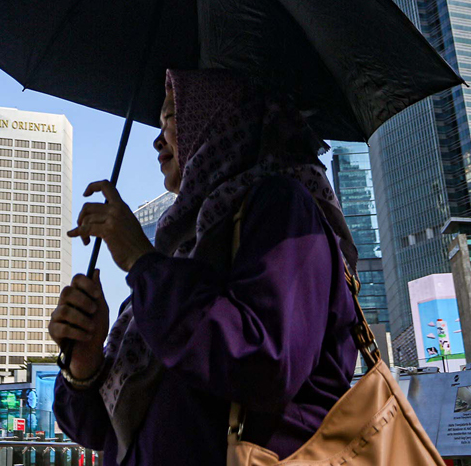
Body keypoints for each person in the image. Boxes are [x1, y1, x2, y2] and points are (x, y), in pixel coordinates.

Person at [49, 69, 359, 465]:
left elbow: (265, 364)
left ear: (218, 118)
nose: (158, 139)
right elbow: (101, 431)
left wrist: (141, 262)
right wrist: (84, 363)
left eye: (171, 118)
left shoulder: (282, 210)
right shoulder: (184, 247)